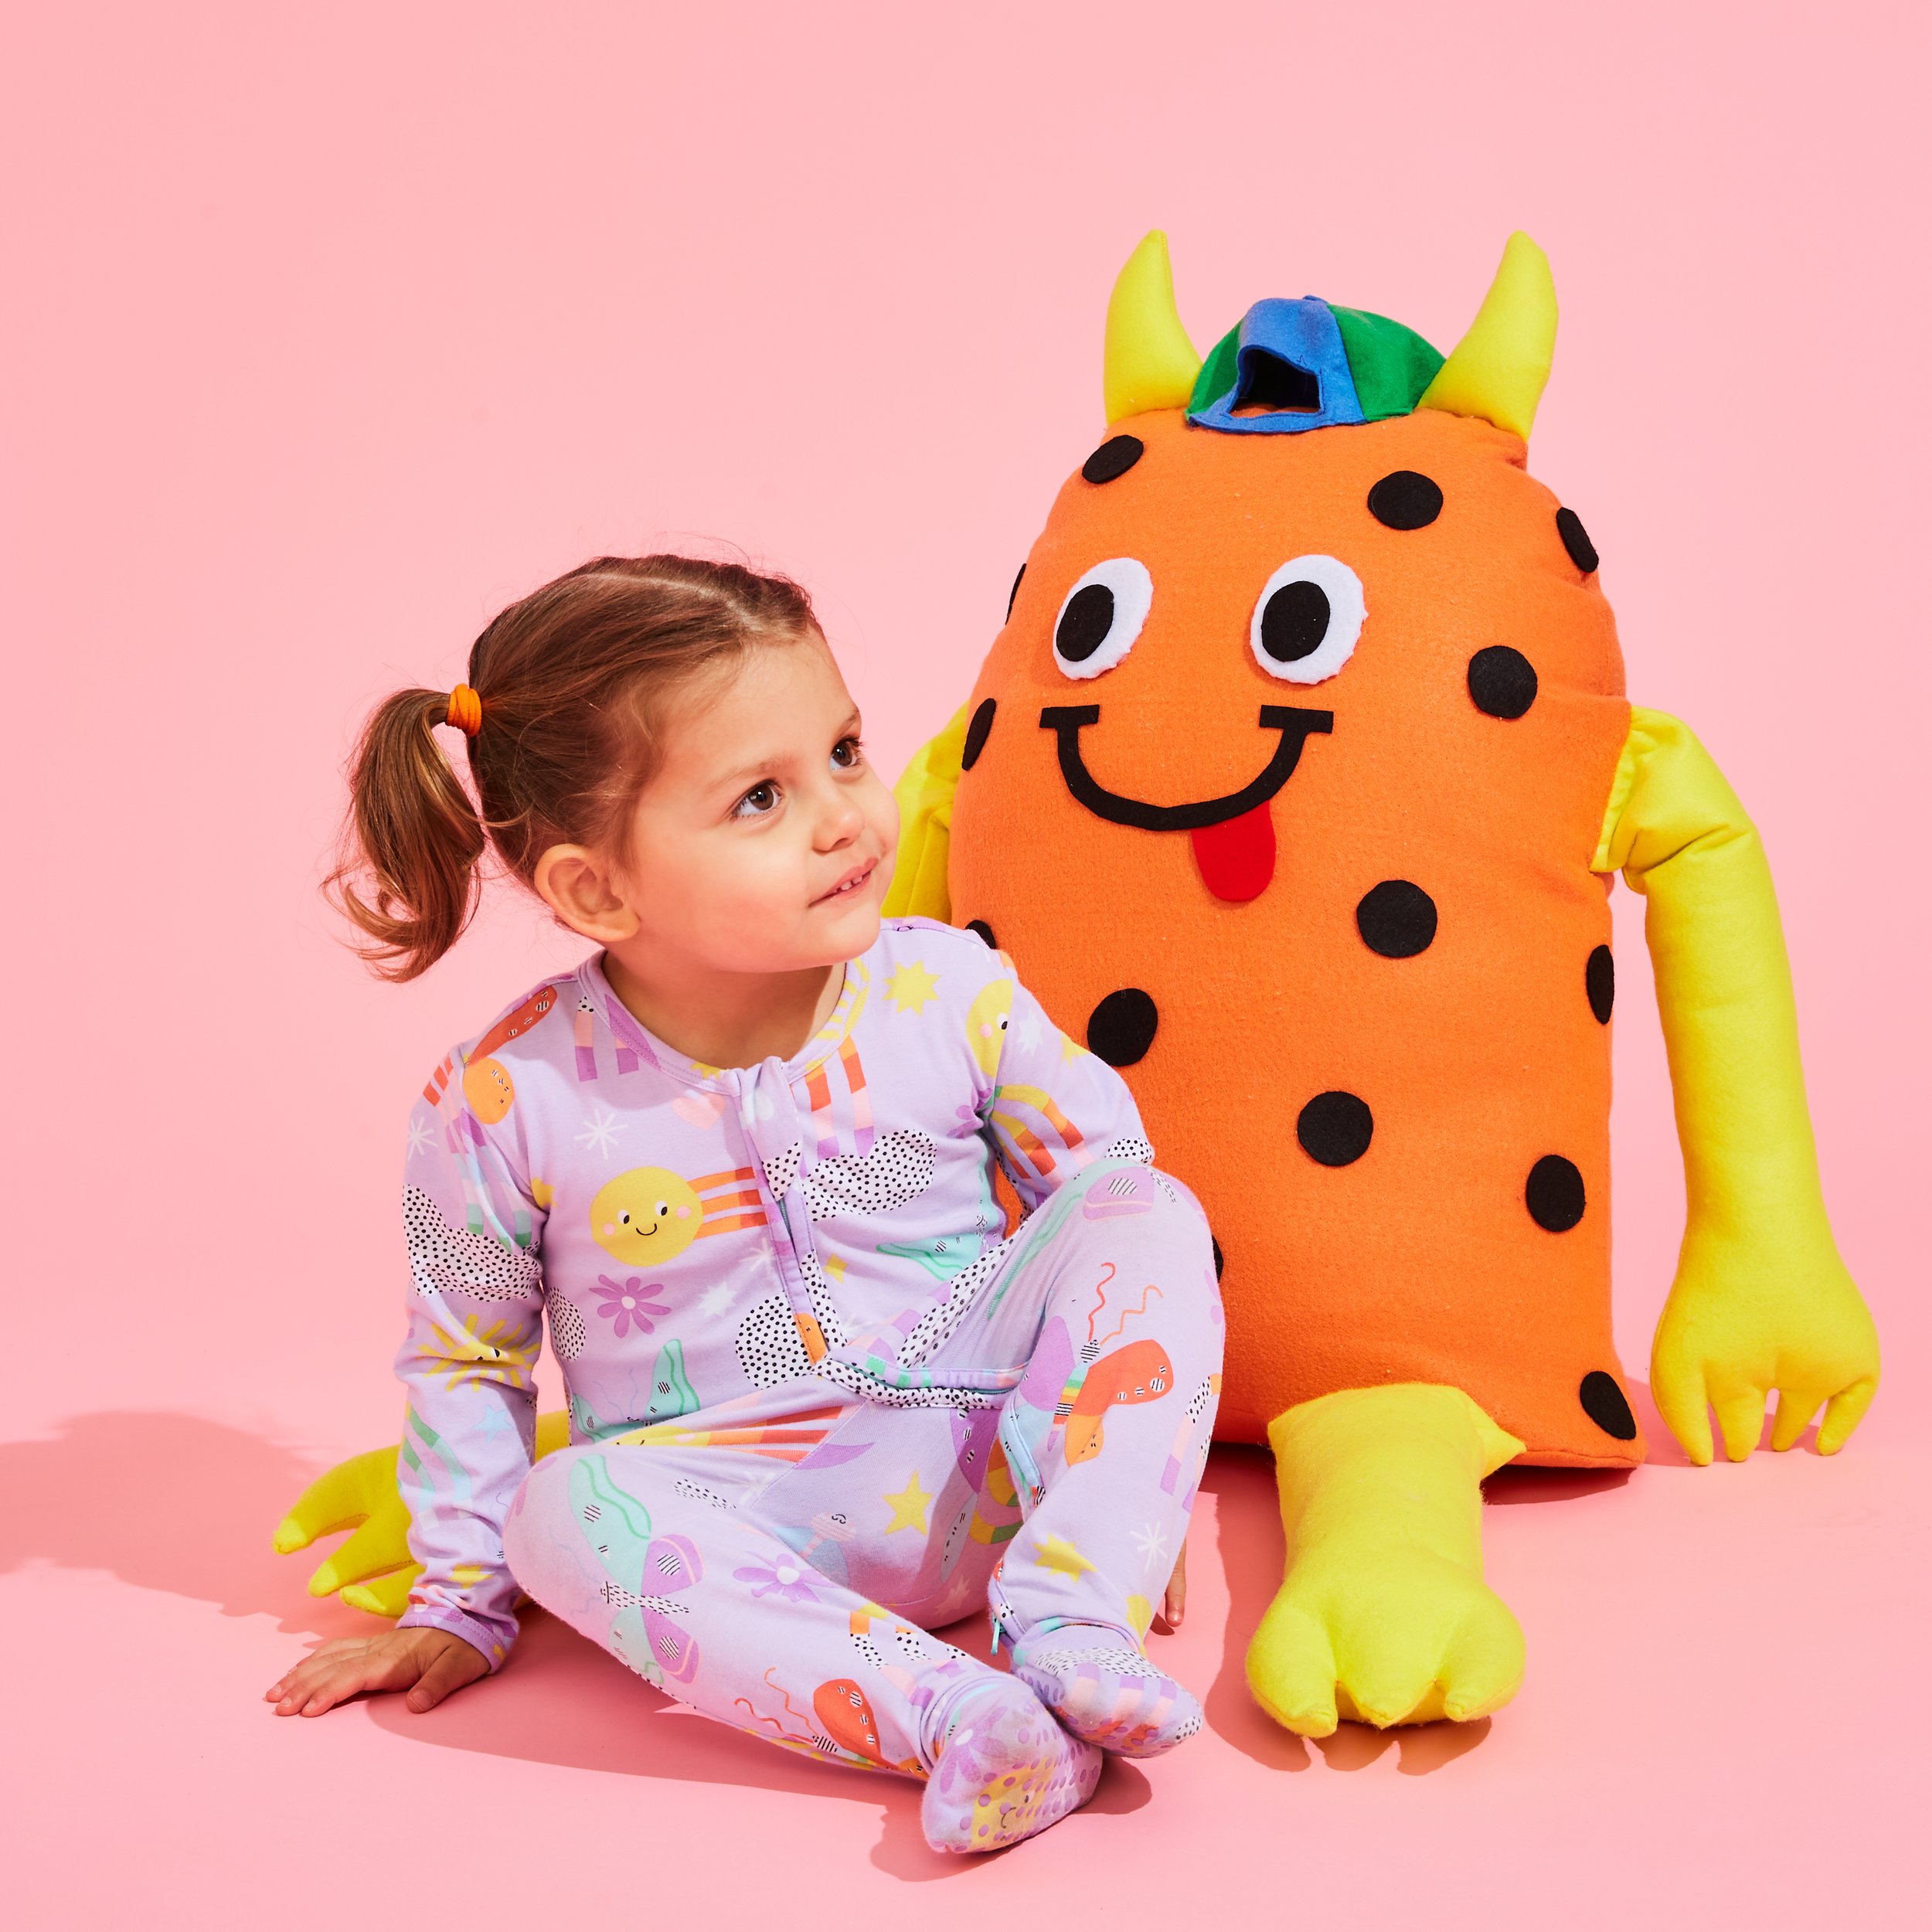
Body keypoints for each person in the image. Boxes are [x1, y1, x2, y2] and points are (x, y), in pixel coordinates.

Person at [264, 554, 1223, 1852]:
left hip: (1001, 1472)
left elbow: (1098, 1200)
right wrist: (460, 1602)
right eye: (762, 796)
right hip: (746, 1540)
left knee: (1143, 1202)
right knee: (555, 1513)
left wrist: (1121, 1492)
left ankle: (1075, 1621)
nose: (845, 817)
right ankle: (964, 1722)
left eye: (845, 751)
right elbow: (466, 1356)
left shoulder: (950, 992)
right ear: (595, 889)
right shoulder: (504, 1098)